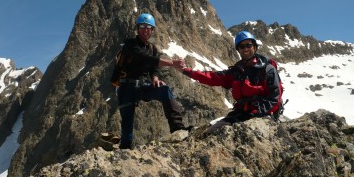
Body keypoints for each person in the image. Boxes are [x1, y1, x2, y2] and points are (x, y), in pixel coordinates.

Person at [177, 31, 282, 135]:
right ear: (238, 50)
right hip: (242, 113)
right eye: (241, 46)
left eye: (248, 45)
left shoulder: (267, 69)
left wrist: (257, 113)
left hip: (262, 114)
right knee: (210, 133)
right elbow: (211, 78)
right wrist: (185, 71)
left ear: (254, 47)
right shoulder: (236, 72)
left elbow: (275, 97)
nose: (245, 49)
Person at [115, 13, 191, 149]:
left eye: (149, 27)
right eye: (143, 26)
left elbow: (154, 68)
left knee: (165, 91)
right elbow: (144, 58)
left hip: (143, 86)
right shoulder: (130, 44)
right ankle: (125, 148)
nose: (146, 29)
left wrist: (155, 78)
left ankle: (178, 128)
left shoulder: (152, 49)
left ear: (152, 30)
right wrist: (172, 63)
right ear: (137, 28)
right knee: (127, 125)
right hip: (126, 87)